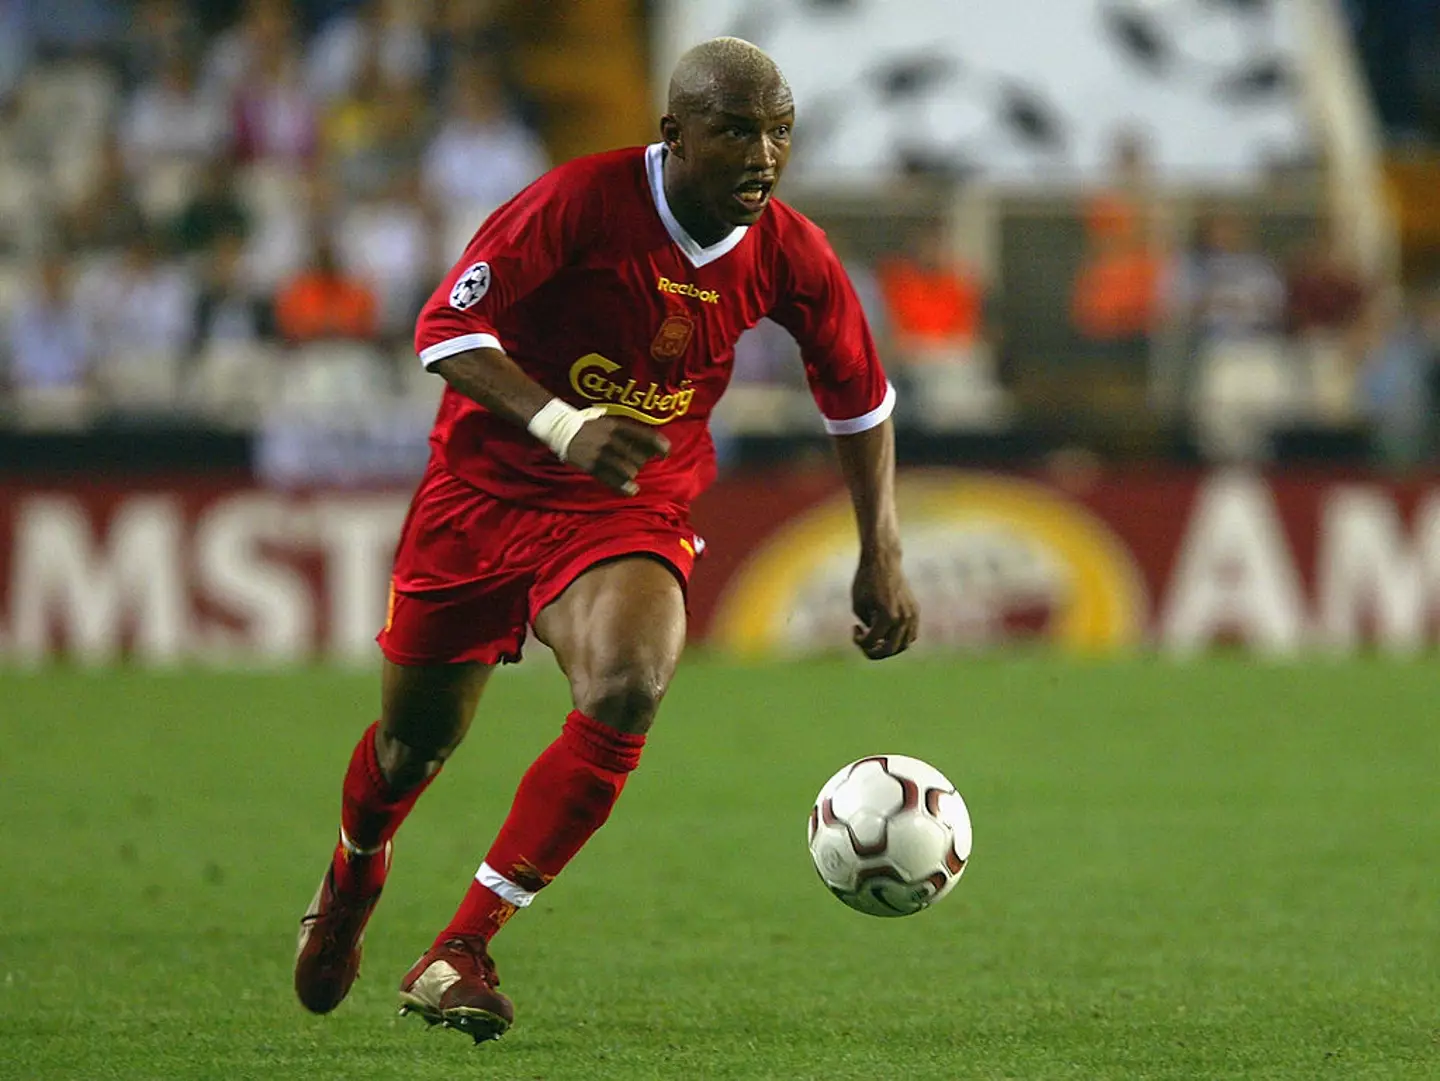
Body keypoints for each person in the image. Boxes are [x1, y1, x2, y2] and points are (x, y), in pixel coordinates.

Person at [292, 36, 920, 1043]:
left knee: (630, 679)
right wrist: (561, 423)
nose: (764, 153)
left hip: (625, 503)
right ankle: (355, 868)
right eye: (736, 130)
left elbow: (857, 393)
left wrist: (879, 548)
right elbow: (444, 330)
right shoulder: (579, 203)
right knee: (412, 748)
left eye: (780, 130)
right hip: (481, 492)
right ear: (675, 134)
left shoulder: (790, 252)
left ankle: (463, 946)